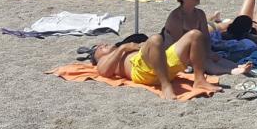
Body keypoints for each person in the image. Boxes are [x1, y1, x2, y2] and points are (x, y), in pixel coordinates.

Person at [92, 30, 220, 100]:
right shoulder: (105, 60)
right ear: (98, 57)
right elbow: (104, 72)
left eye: (102, 44)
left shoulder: (123, 50)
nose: (102, 45)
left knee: (195, 35)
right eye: (99, 48)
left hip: (162, 65)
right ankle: (165, 86)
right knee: (155, 39)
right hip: (141, 71)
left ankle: (199, 79)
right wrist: (123, 48)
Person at [161, 0, 255, 75]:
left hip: (192, 48)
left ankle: (236, 66)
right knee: (204, 60)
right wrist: (202, 54)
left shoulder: (199, 13)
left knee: (214, 56)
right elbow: (176, 44)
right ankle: (231, 70)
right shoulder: (176, 17)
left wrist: (208, 52)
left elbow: (206, 37)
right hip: (173, 53)